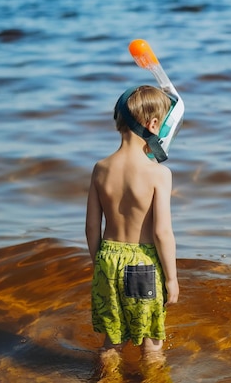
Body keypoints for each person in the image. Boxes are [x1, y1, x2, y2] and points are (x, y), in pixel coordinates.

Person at [85, 85, 179, 377]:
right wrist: (172, 278)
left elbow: (91, 227)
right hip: (142, 266)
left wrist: (99, 263)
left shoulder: (100, 168)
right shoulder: (158, 174)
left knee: (112, 340)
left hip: (107, 259)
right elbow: (162, 232)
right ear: (153, 125)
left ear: (119, 122)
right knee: (151, 344)